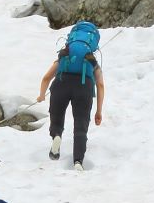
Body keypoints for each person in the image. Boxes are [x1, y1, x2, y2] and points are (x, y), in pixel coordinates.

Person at [37, 21, 104, 171]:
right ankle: (78, 162)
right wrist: (99, 111)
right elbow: (100, 85)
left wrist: (41, 95)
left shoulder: (64, 57)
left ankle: (56, 136)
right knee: (81, 125)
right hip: (83, 86)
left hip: (61, 83)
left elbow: (46, 78)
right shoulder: (91, 61)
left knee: (57, 117)